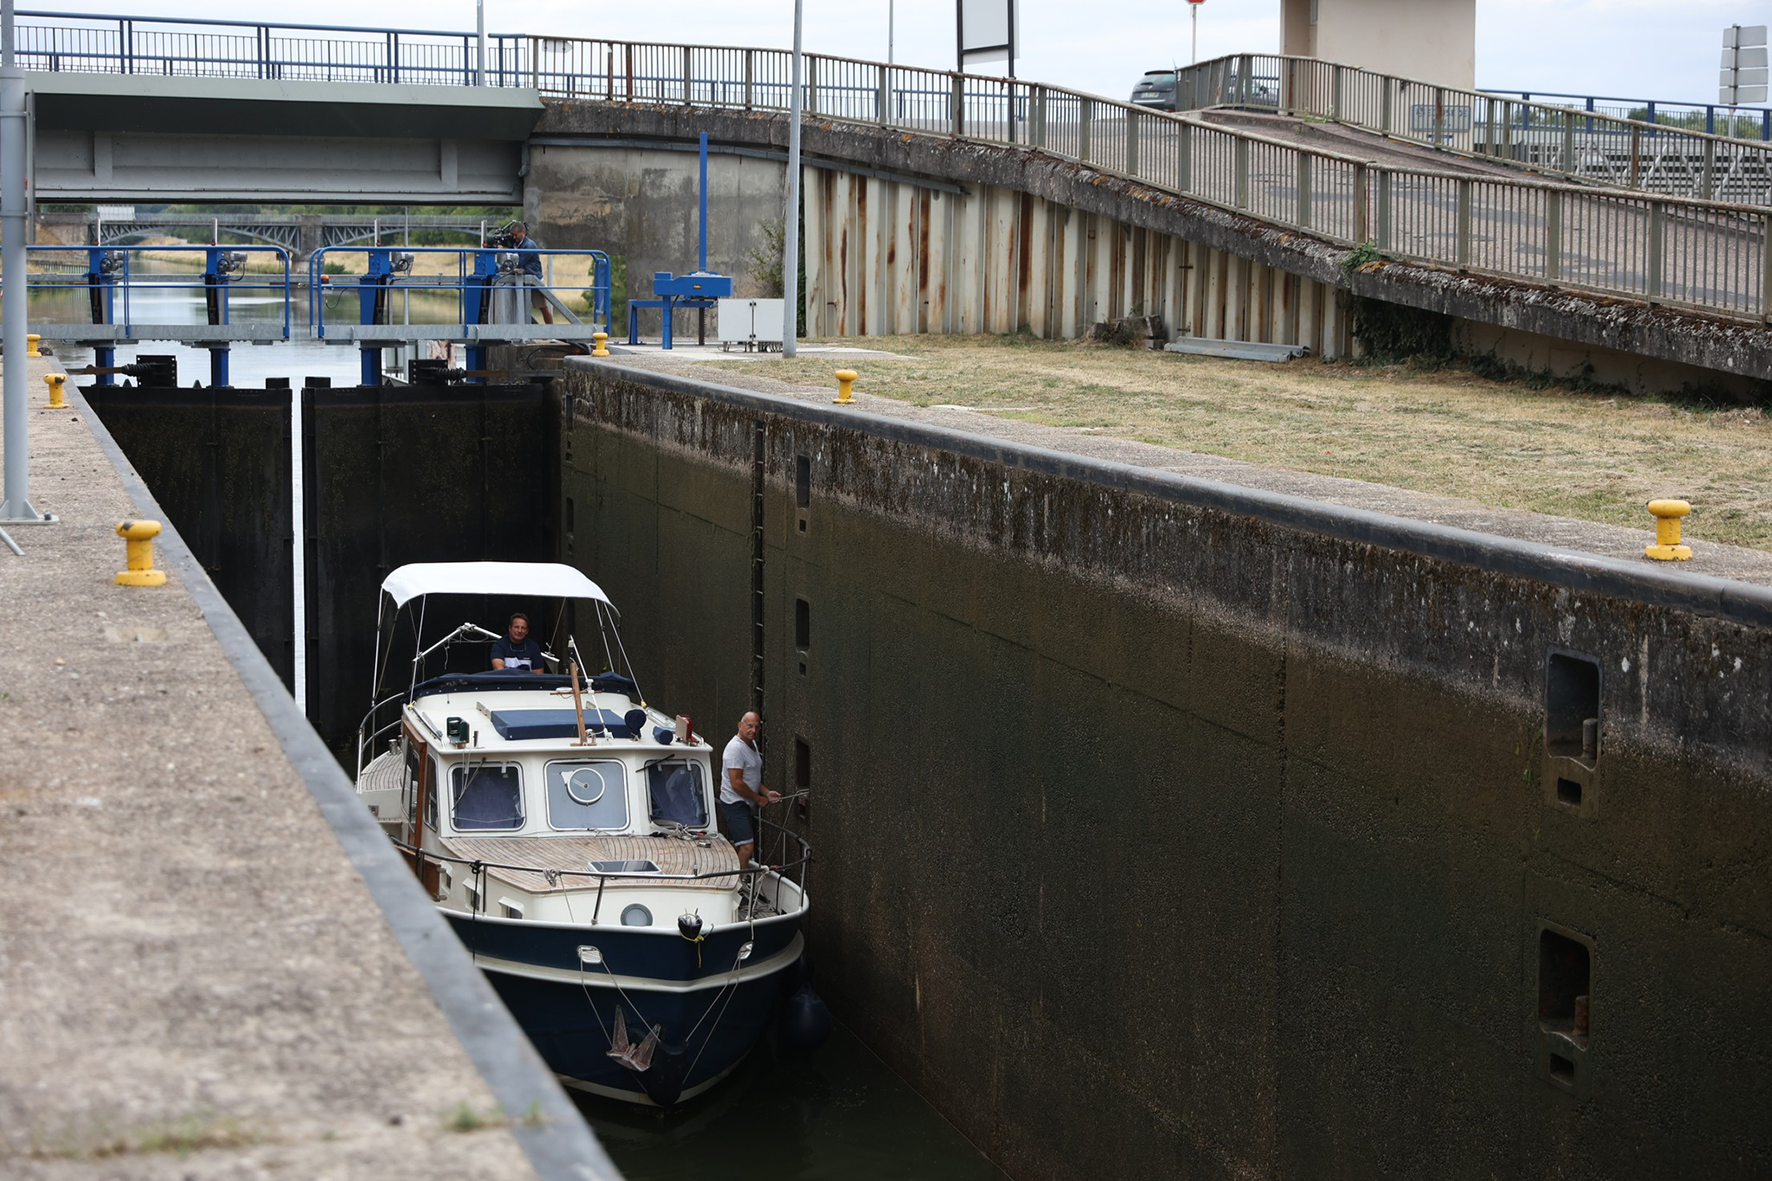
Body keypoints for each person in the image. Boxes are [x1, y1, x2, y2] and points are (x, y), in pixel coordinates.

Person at [720, 711, 780, 868]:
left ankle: (728, 871)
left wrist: (766, 792)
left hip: (745, 804)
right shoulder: (735, 749)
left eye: (756, 727)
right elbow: (737, 783)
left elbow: (751, 777)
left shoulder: (751, 744)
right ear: (740, 725)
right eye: (749, 726)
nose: (753, 731)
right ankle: (740, 881)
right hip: (735, 803)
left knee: (737, 845)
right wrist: (758, 799)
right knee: (747, 847)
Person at [508, 221, 554, 325]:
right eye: (513, 235)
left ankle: (552, 332)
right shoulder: (517, 244)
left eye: (516, 235)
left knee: (543, 307)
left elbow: (519, 263)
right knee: (520, 308)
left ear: (523, 232)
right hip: (524, 279)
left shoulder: (529, 245)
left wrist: (505, 251)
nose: (514, 237)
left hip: (534, 280)